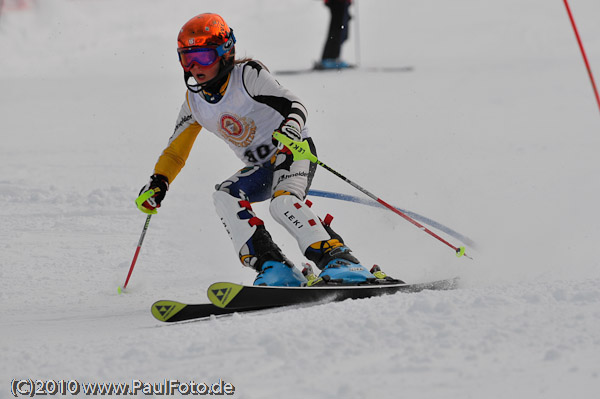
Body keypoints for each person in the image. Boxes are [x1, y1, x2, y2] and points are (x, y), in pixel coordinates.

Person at [136, 13, 382, 287]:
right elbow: (175, 152)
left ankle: (341, 261)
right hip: (262, 166)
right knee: (224, 196)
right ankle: (274, 266)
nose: (194, 67)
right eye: (186, 58)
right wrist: (159, 181)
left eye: (203, 57)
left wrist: (291, 126)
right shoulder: (195, 102)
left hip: (293, 150)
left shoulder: (247, 75)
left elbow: (295, 104)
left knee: (283, 203)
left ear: (225, 53)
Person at [315, 0, 352, 70]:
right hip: (338, 2)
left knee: (339, 29)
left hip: (340, 2)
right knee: (338, 29)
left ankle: (330, 57)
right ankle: (330, 58)